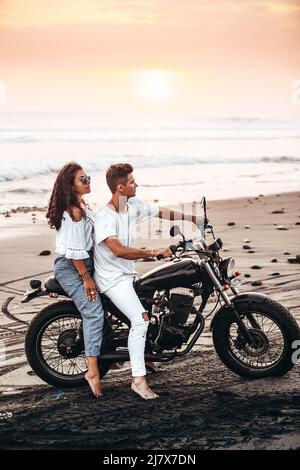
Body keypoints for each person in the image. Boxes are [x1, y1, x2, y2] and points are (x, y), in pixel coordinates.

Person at [93, 163, 204, 400]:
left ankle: (147, 354)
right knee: (141, 321)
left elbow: (161, 211)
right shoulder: (105, 216)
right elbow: (118, 250)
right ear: (120, 187)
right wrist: (154, 252)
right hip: (111, 279)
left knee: (154, 304)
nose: (136, 184)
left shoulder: (131, 205)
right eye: (132, 182)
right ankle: (138, 381)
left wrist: (192, 219)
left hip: (126, 275)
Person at [46, 162, 104, 398]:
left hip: (87, 262)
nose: (88, 181)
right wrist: (87, 278)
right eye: (83, 179)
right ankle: (92, 372)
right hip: (73, 267)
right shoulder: (73, 212)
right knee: (94, 312)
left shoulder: (81, 206)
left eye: (88, 177)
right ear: (70, 185)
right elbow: (74, 252)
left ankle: (140, 355)